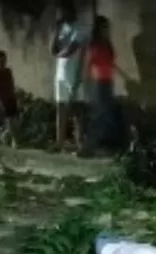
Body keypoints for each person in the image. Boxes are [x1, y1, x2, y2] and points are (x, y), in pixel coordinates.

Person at [51, 0, 85, 152]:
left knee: (75, 110)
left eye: (62, 11)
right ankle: (59, 142)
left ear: (69, 11)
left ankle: (80, 143)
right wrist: (56, 30)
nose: (60, 15)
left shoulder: (79, 28)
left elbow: (70, 50)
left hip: (73, 74)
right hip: (60, 74)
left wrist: (58, 53)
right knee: (60, 108)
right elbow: (53, 50)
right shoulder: (62, 28)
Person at [81, 15, 117, 158]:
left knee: (106, 114)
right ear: (99, 29)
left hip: (107, 81)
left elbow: (111, 61)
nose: (107, 30)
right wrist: (86, 82)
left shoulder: (107, 44)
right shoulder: (94, 45)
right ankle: (88, 147)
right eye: (105, 28)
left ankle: (103, 146)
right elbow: (88, 64)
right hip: (98, 82)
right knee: (98, 114)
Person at [0, 50, 19, 148]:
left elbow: (12, 85)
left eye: (3, 60)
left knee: (14, 121)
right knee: (10, 121)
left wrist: (15, 96)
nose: (2, 63)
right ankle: (15, 141)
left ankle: (4, 134)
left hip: (11, 99)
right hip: (2, 101)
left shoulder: (8, 71)